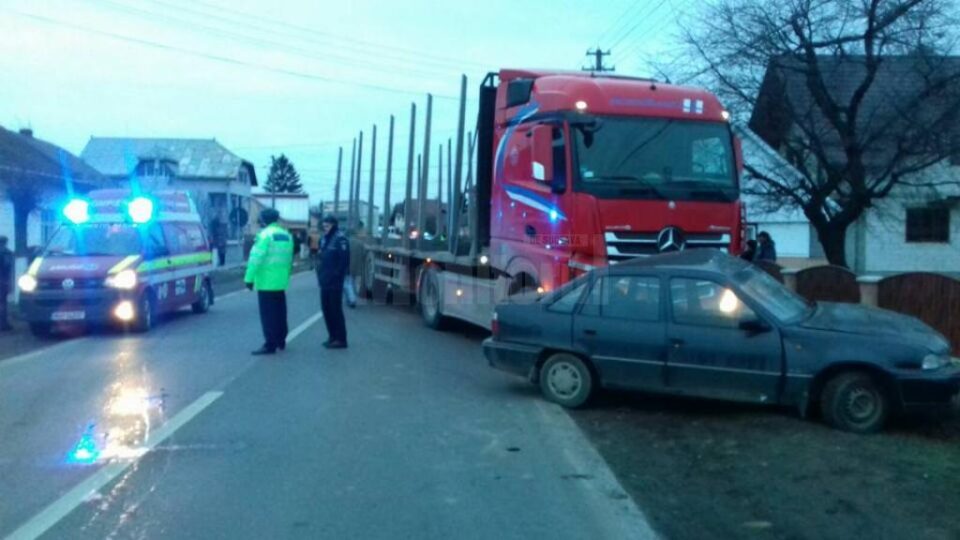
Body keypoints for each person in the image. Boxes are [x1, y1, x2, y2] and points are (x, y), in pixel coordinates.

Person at [244, 209, 294, 355]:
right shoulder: (286, 235)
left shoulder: (265, 235)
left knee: (268, 315)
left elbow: (255, 259)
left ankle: (269, 344)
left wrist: (249, 279)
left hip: (266, 282)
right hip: (281, 281)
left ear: (264, 220)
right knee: (280, 312)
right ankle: (281, 340)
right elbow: (288, 259)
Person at [317, 215, 349, 349]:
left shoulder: (340, 239)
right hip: (324, 280)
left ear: (334, 225)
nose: (325, 228)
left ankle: (341, 339)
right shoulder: (324, 239)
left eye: (328, 226)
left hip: (335, 281)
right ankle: (332, 336)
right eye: (324, 226)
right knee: (326, 309)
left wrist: (336, 275)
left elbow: (344, 261)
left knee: (335, 310)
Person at [0, 236, 13, 331]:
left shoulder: (7, 253)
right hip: (3, 281)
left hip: (3, 280)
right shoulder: (7, 253)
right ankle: (3, 324)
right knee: (3, 303)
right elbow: (8, 267)